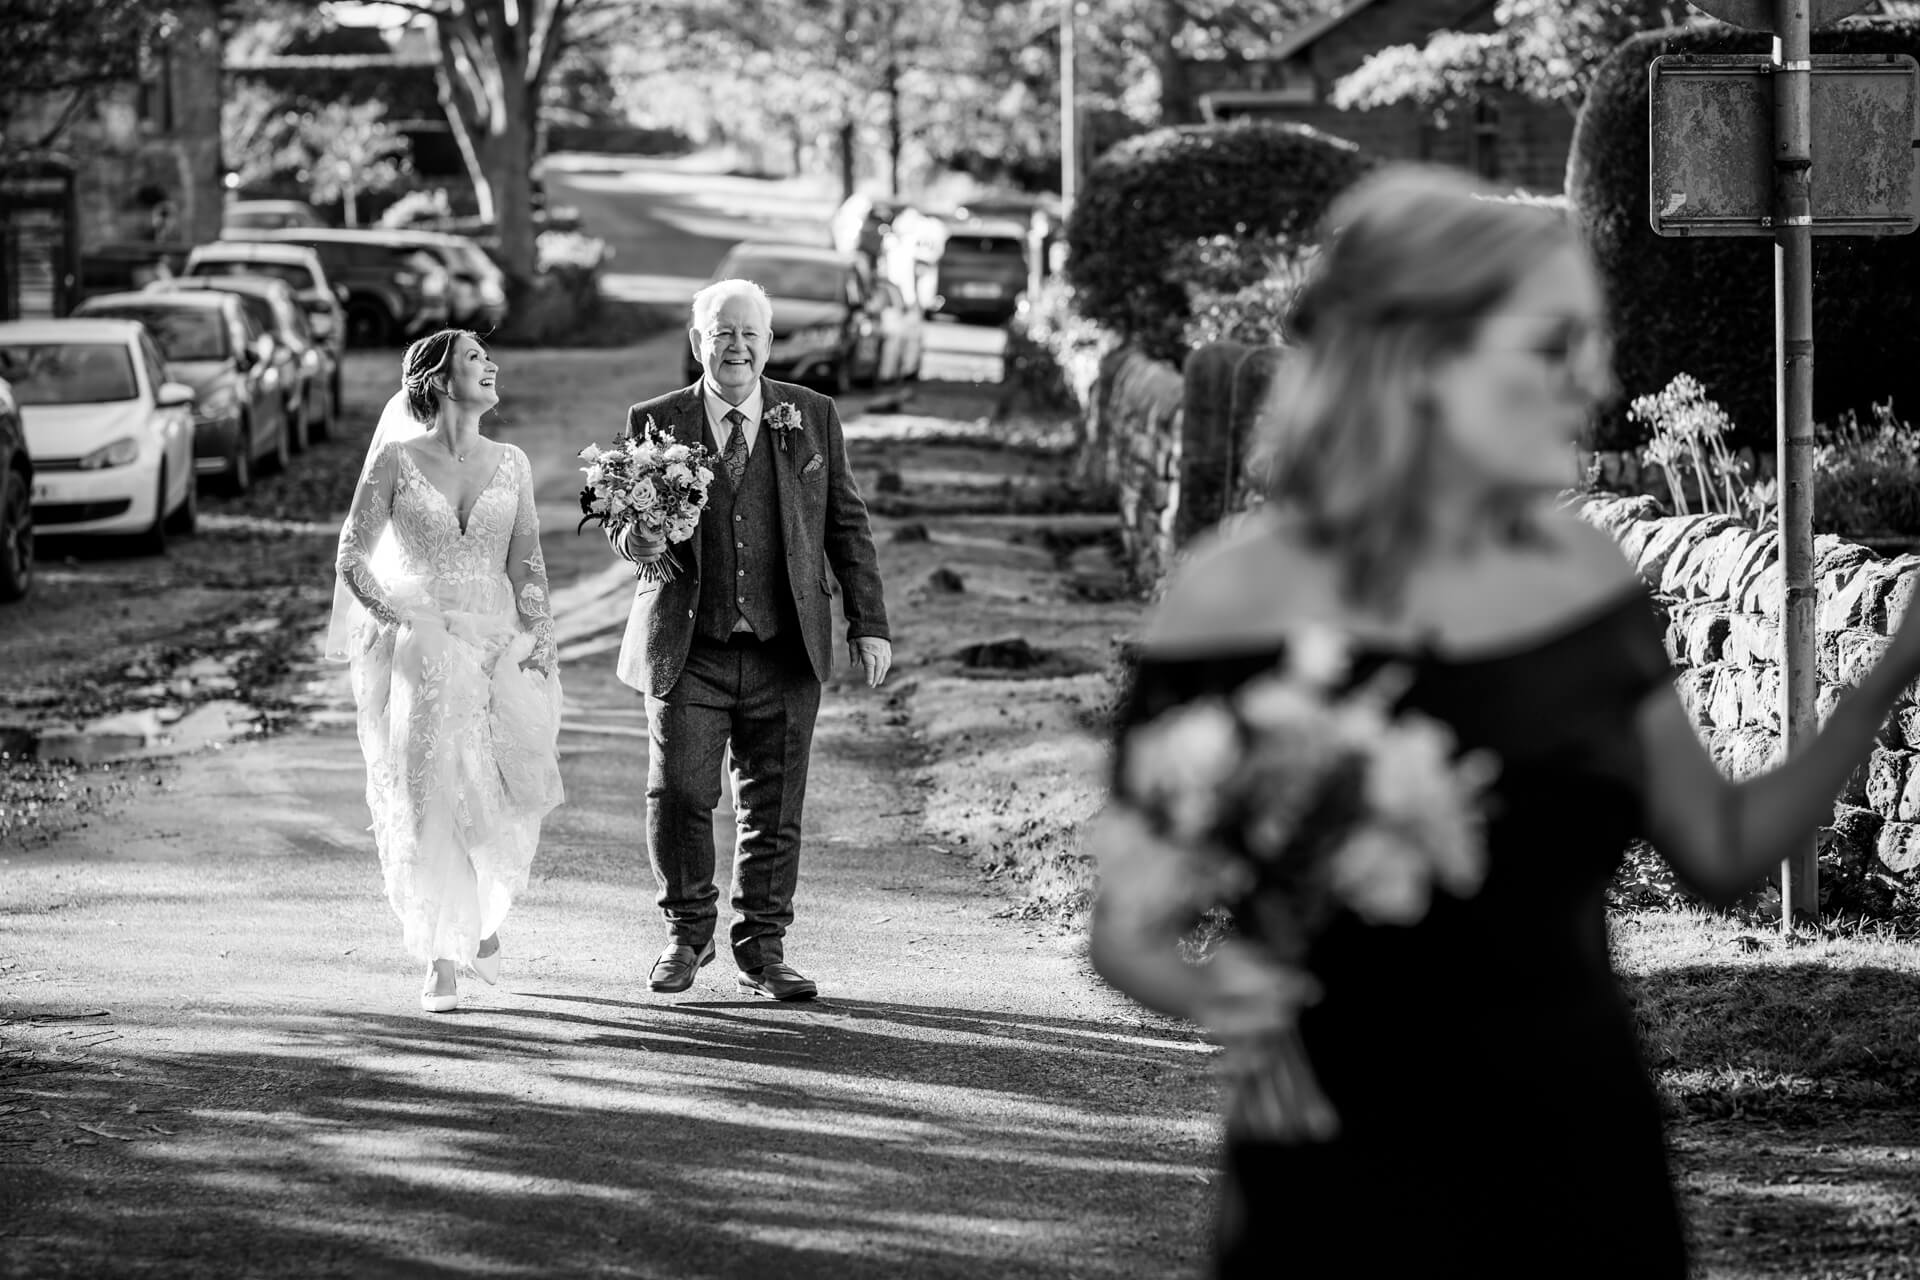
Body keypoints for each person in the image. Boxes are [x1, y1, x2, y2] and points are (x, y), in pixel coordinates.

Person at [1086, 164, 1920, 1277]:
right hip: (1330, 1179)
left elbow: (1721, 851)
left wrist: (1888, 676)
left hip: (1578, 1163)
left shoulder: (1583, 576)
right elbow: (1128, 929)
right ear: (1423, 358)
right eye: (1554, 345)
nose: (1598, 381)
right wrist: (1234, 999)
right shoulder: (1230, 600)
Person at [611, 278, 891, 1002]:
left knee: (774, 808)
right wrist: (638, 536)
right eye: (721, 332)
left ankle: (763, 951)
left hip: (785, 646)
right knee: (678, 795)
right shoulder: (656, 420)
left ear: (768, 344)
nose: (735, 346)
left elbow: (846, 525)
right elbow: (625, 526)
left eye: (749, 334)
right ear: (697, 341)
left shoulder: (813, 415)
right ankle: (686, 934)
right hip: (688, 645)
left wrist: (869, 623)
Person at [331, 330, 564, 1014]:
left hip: (496, 646)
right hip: (424, 650)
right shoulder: (397, 461)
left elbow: (526, 564)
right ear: (436, 380)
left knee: (489, 790)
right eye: (473, 358)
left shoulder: (513, 463)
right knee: (432, 789)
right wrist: (399, 616)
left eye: (490, 358)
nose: (491, 365)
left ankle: (475, 917)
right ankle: (439, 956)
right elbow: (352, 556)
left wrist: (541, 636)